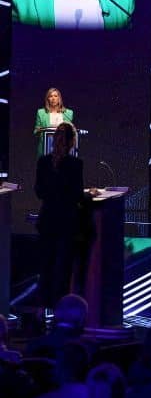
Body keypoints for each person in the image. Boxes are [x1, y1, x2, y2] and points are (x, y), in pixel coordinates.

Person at [34, 123, 91, 309]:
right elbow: (76, 194)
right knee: (63, 271)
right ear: (73, 141)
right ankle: (60, 315)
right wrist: (88, 195)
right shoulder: (75, 164)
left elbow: (39, 192)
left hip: (47, 221)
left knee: (46, 269)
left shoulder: (43, 162)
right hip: (66, 224)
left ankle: (40, 314)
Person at [34, 87, 75, 157]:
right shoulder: (41, 113)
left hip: (63, 148)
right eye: (50, 96)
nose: (53, 98)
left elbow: (70, 131)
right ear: (47, 99)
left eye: (55, 96)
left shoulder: (68, 113)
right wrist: (38, 130)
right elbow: (35, 131)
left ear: (59, 98)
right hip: (46, 148)